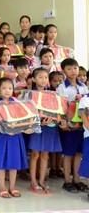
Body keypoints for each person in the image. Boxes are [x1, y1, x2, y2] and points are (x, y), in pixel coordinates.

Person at [28, 68, 64, 195]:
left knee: (45, 155)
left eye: (45, 78)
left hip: (50, 127)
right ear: (33, 79)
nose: (43, 80)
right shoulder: (30, 94)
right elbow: (28, 113)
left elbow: (58, 111)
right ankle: (33, 181)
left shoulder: (52, 94)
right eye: (40, 77)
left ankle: (42, 181)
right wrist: (39, 122)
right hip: (37, 127)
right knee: (35, 154)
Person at [57, 58, 89, 194]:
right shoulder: (61, 87)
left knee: (79, 153)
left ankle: (76, 179)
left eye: (75, 68)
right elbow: (60, 107)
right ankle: (67, 181)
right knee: (68, 153)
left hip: (82, 126)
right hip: (68, 126)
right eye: (69, 69)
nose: (73, 71)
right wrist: (62, 122)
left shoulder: (84, 86)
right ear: (63, 71)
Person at [0, 78, 28, 199]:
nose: (7, 91)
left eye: (10, 88)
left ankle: (12, 187)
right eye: (4, 88)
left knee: (14, 161)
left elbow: (23, 119)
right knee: (1, 161)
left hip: (16, 136)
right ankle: (2, 187)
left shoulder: (17, 103)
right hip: (2, 136)